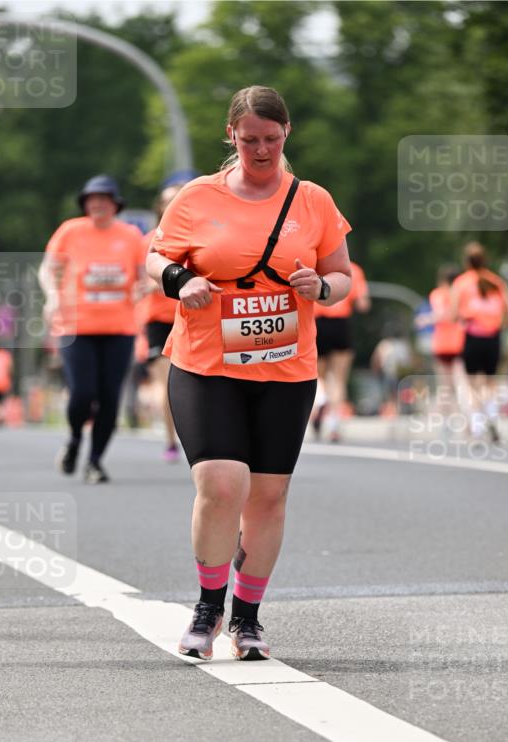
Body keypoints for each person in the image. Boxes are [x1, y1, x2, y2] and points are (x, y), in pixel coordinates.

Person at [146, 85, 351, 661]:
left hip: (285, 368)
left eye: (271, 139)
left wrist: (322, 287)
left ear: (287, 134)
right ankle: (208, 606)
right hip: (206, 362)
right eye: (249, 139)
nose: (261, 150)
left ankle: (248, 617)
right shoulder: (197, 197)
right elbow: (155, 258)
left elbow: (343, 275)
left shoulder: (312, 200)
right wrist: (181, 281)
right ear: (230, 136)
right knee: (220, 484)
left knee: (267, 497)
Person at [39, 175, 145, 483]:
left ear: (115, 205)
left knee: (110, 398)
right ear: (85, 204)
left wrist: (143, 288)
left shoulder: (130, 236)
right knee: (83, 392)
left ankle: (95, 461)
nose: (97, 204)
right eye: (91, 199)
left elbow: (144, 274)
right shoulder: (70, 231)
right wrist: (52, 296)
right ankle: (74, 439)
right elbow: (48, 269)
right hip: (76, 326)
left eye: (103, 199)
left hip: (119, 328)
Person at [450, 242, 508, 442]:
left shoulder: (461, 283)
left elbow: (452, 315)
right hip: (493, 338)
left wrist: (465, 318)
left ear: (466, 262)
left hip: (472, 337)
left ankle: (478, 427)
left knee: (472, 385)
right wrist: (498, 324)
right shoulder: (496, 282)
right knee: (490, 383)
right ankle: (492, 416)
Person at [136, 184, 185, 460]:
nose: (173, 204)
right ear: (160, 207)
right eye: (168, 200)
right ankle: (170, 440)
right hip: (158, 319)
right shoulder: (149, 240)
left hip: (192, 315)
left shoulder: (197, 235)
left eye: (178, 198)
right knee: (166, 382)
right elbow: (140, 278)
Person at [311, 259, 370, 442]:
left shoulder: (315, 265)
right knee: (339, 379)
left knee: (318, 376)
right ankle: (334, 425)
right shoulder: (354, 269)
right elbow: (363, 305)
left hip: (318, 322)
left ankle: (321, 399)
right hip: (340, 323)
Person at [429, 265, 466, 426]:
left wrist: (427, 319)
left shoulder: (437, 294)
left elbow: (440, 313)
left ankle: (446, 420)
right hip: (459, 343)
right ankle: (465, 417)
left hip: (442, 344)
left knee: (445, 385)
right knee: (461, 383)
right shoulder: (462, 294)